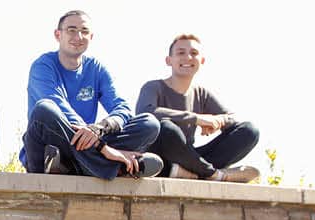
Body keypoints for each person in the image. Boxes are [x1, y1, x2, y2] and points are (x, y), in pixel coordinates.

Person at [20, 10, 163, 180]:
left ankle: (80, 166)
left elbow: (122, 107)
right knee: (44, 109)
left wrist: (99, 129)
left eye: (84, 31)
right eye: (71, 30)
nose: (78, 36)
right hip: (54, 142)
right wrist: (102, 147)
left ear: (91, 37)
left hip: (82, 146)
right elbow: (59, 108)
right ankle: (112, 167)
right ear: (58, 35)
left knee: (149, 123)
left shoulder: (96, 68)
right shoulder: (43, 66)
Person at [135, 34, 262, 183]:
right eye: (181, 53)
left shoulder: (201, 93)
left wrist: (217, 121)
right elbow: (146, 113)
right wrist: (196, 118)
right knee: (166, 127)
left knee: (250, 130)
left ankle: (193, 172)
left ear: (202, 61)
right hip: (159, 158)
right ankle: (214, 175)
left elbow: (232, 118)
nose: (188, 57)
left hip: (187, 159)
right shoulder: (153, 87)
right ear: (169, 61)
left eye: (194, 53)